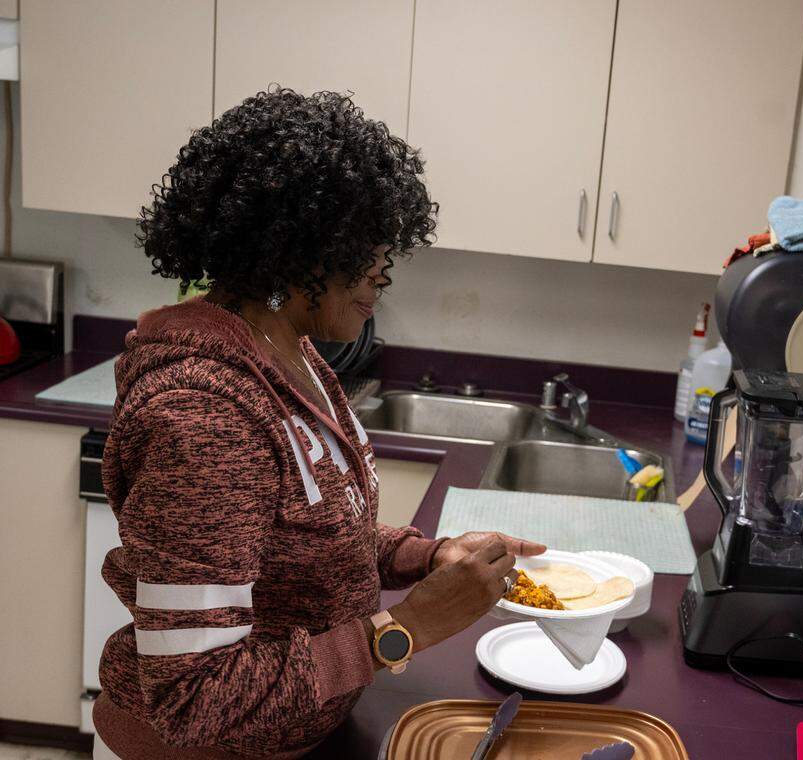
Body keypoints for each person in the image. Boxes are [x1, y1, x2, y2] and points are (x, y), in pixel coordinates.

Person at [92, 87, 545, 759]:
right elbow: (195, 697)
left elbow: (308, 528)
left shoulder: (289, 354)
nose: (383, 270)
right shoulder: (203, 416)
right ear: (289, 248)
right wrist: (409, 628)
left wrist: (425, 557)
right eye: (362, 246)